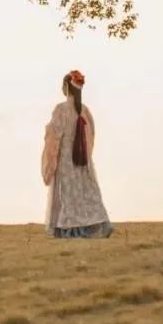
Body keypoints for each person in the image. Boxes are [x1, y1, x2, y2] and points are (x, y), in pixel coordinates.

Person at [41, 69, 113, 239]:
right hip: (82, 159)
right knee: (86, 192)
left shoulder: (61, 110)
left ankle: (70, 228)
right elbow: (91, 134)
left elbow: (53, 135)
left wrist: (52, 158)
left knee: (68, 194)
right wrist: (86, 155)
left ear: (67, 87)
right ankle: (94, 224)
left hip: (66, 159)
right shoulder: (84, 111)